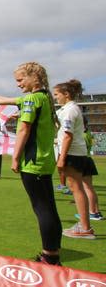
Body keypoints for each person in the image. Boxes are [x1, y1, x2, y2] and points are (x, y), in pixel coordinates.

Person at [0, 61, 62, 266]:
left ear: (34, 77)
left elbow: (24, 129)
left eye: (20, 79)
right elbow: (1, 100)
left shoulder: (30, 99)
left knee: (42, 208)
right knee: (49, 207)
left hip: (32, 162)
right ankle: (53, 253)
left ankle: (49, 256)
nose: (18, 84)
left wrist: (15, 157)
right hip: (44, 161)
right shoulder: (43, 97)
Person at [53, 79, 95, 239]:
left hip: (72, 153)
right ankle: (84, 226)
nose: (55, 97)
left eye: (57, 94)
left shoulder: (70, 110)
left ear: (66, 94)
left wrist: (62, 157)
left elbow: (68, 136)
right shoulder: (67, 109)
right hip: (75, 152)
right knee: (78, 188)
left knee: (76, 189)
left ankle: (85, 227)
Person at [76, 116, 104, 221]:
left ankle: (92, 212)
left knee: (87, 188)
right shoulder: (88, 133)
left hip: (83, 160)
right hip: (88, 159)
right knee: (90, 188)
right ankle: (96, 212)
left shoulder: (81, 135)